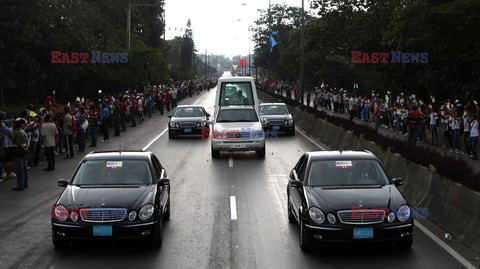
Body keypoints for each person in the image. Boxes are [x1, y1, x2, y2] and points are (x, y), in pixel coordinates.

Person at [12, 119, 29, 191]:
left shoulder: (17, 133)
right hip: (24, 151)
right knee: (24, 168)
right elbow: (27, 141)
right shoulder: (23, 131)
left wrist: (24, 149)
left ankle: (20, 185)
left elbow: (18, 143)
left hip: (19, 151)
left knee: (19, 169)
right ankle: (25, 183)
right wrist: (26, 149)